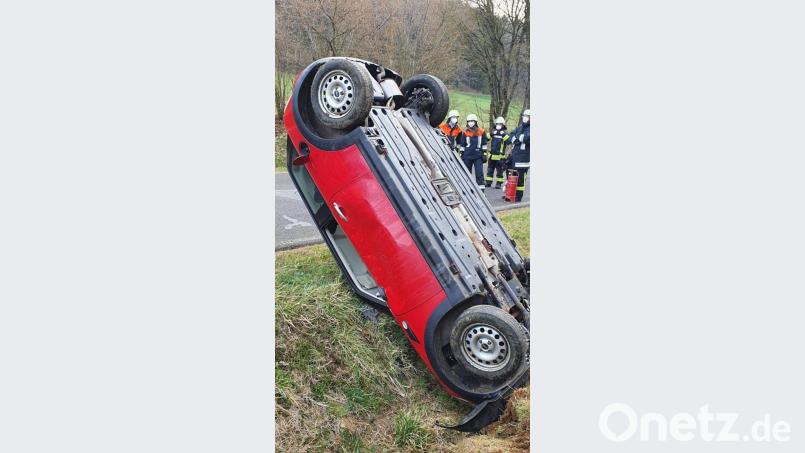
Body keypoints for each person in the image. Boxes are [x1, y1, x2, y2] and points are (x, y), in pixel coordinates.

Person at [505, 109, 530, 202]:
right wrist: (515, 139)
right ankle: (510, 194)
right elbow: (510, 135)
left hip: (523, 159)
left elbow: (527, 138)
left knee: (520, 179)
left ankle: (518, 197)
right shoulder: (520, 127)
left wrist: (517, 137)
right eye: (524, 116)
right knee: (511, 175)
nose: (525, 118)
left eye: (527, 116)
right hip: (514, 157)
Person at [459, 113, 488, 191]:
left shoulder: (481, 132)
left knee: (479, 174)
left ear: (475, 122)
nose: (470, 123)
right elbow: (462, 145)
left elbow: (484, 144)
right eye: (469, 121)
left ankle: (481, 191)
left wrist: (484, 154)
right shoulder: (465, 133)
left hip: (478, 156)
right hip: (467, 156)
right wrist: (461, 154)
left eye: (472, 121)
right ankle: (467, 190)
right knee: (466, 174)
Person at [485, 116, 509, 189]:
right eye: (497, 124)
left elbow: (508, 141)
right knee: (490, 170)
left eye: (500, 124)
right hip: (492, 155)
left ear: (503, 125)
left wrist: (503, 135)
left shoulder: (505, 133)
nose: (498, 126)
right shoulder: (493, 132)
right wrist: (492, 133)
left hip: (500, 156)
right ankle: (488, 182)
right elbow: (486, 138)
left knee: (499, 171)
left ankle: (498, 183)